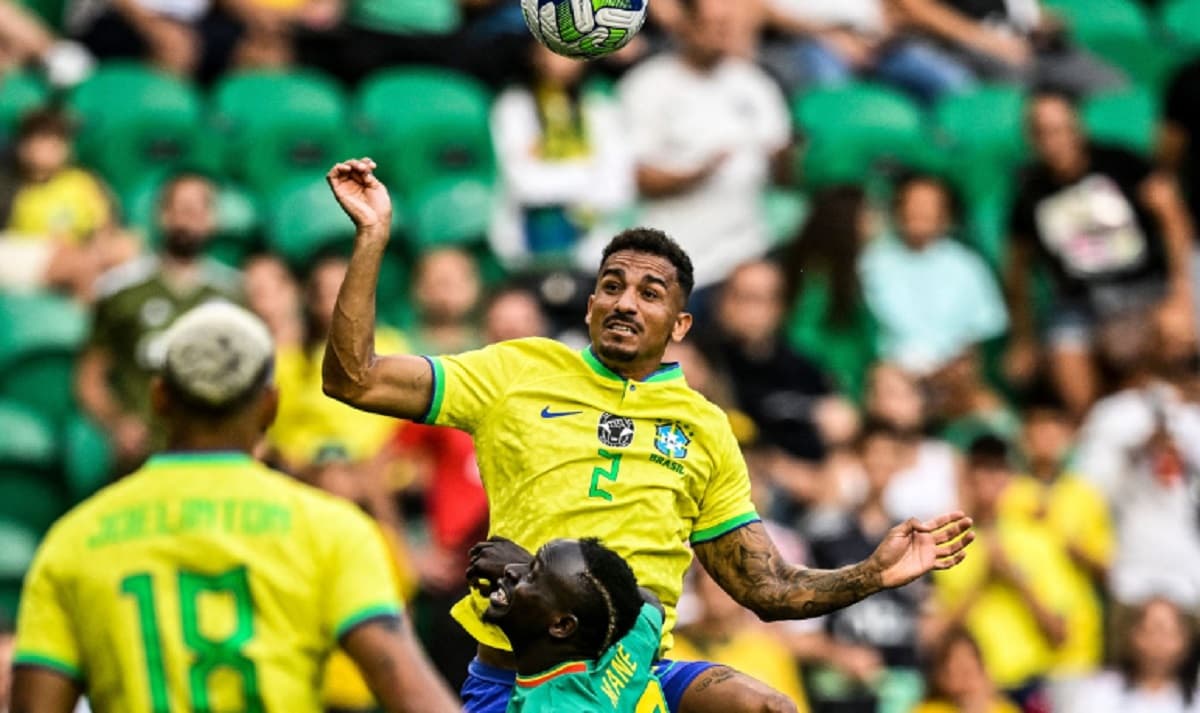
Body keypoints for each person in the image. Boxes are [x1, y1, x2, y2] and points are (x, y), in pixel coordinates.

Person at [321, 156, 974, 713]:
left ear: (681, 325)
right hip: (524, 677)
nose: (627, 302)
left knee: (769, 705)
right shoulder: (517, 369)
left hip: (638, 675)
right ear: (590, 306)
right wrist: (373, 236)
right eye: (612, 285)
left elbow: (766, 589)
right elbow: (355, 379)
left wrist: (870, 573)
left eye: (651, 292)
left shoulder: (705, 426)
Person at [10, 302, 458, 713]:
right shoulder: (332, 531)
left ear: (160, 397)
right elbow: (415, 697)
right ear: (270, 405)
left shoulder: (74, 541)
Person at [1005, 90, 1197, 419]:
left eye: (1059, 129)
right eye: (1042, 132)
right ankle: (1093, 434)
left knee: (1178, 329)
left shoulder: (1120, 162)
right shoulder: (1030, 194)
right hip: (1081, 303)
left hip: (1146, 288)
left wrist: (1181, 291)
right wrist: (1023, 338)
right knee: (1065, 354)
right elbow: (1017, 271)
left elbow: (1172, 215)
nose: (1053, 141)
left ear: (1077, 128)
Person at [616, 0, 793, 300]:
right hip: (676, 255)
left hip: (746, 251)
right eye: (713, 25)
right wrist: (700, 173)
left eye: (728, 25)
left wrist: (787, 159)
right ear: (685, 26)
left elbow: (784, 173)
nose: (722, 33)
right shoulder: (646, 86)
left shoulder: (755, 84)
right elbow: (637, 177)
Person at [75, 171, 243, 472]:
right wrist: (117, 423)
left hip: (212, 450)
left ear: (212, 218)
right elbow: (90, 378)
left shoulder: (233, 294)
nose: (188, 219)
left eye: (198, 209)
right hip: (142, 447)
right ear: (162, 215)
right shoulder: (121, 290)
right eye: (180, 208)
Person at [469, 537, 669, 712]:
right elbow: (652, 606)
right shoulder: (628, 648)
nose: (510, 568)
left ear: (562, 625)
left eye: (531, 576)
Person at [490, 39, 634, 273]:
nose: (561, 59)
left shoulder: (601, 103)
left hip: (595, 250)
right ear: (534, 54)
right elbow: (524, 184)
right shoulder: (513, 106)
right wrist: (590, 171)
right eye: (552, 49)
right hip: (528, 250)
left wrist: (553, 175)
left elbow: (617, 188)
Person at [860, 173, 1008, 376]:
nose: (919, 211)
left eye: (928, 205)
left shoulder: (967, 265)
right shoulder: (871, 262)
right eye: (913, 203)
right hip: (889, 375)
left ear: (945, 214)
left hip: (951, 377)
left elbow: (980, 334)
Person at [886, 0, 1125, 96]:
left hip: (1026, 40)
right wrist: (982, 39)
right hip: (964, 44)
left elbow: (1025, 9)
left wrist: (1044, 21)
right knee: (1018, 75)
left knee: (1111, 83)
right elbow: (908, 7)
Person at [782, 185, 878, 400]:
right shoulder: (819, 276)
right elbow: (803, 336)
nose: (877, 220)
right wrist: (831, 380)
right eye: (869, 212)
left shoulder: (856, 268)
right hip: (833, 386)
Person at [1064, 597, 1200, 713]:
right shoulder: (1101, 690)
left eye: (1167, 633)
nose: (1158, 643)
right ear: (1132, 635)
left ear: (1186, 639)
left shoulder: (1194, 700)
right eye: (1150, 631)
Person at [911, 628, 1021, 713]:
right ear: (941, 678)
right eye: (957, 670)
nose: (966, 677)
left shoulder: (1005, 709)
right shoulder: (931, 710)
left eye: (970, 666)